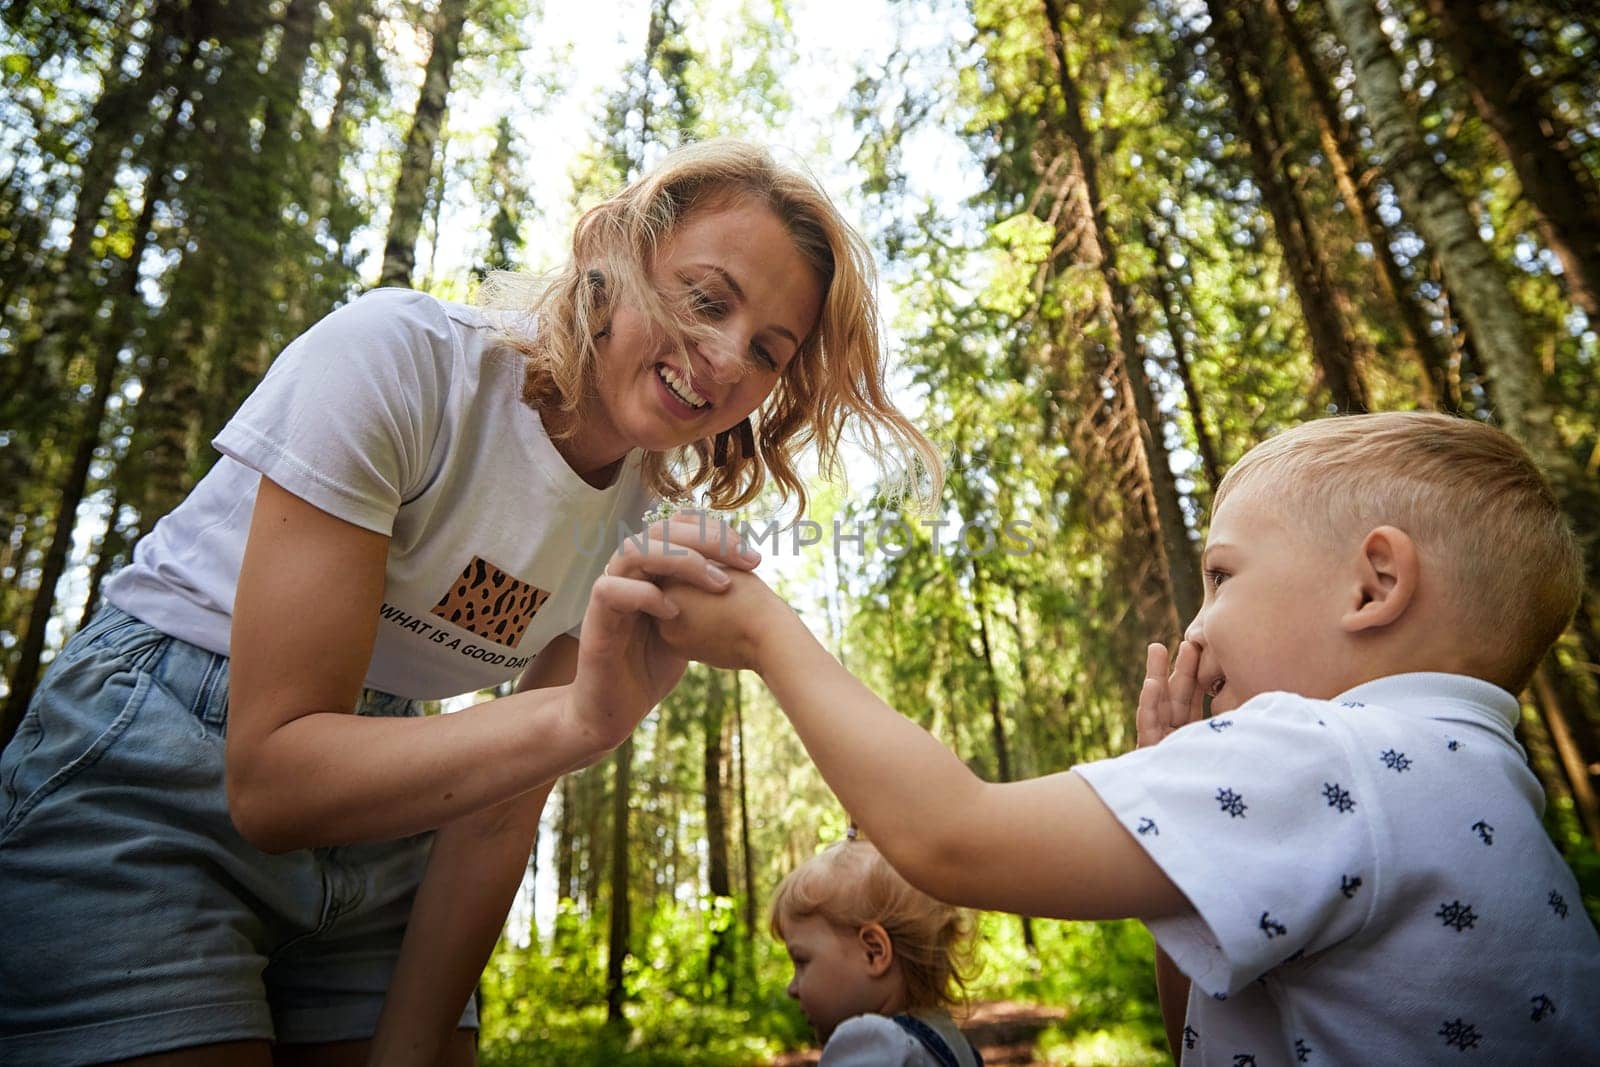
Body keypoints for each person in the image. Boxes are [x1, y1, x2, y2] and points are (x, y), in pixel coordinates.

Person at [0, 139, 939, 1067]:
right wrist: (577, 718)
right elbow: (273, 778)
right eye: (707, 299)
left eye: (769, 351)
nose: (729, 357)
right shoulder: (398, 363)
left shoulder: (639, 527)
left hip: (394, 786)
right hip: (159, 740)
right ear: (616, 253)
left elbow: (497, 811)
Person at [656, 411, 1600, 1063]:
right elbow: (1204, 1025)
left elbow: (951, 836)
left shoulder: (1325, 754)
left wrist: (764, 632)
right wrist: (1175, 788)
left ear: (1373, 587)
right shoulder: (1491, 789)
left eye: (1222, 576)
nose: (1196, 628)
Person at [772, 835, 982, 1067]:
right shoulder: (949, 1039)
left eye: (802, 961)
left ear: (874, 952)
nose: (792, 988)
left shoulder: (872, 1045)